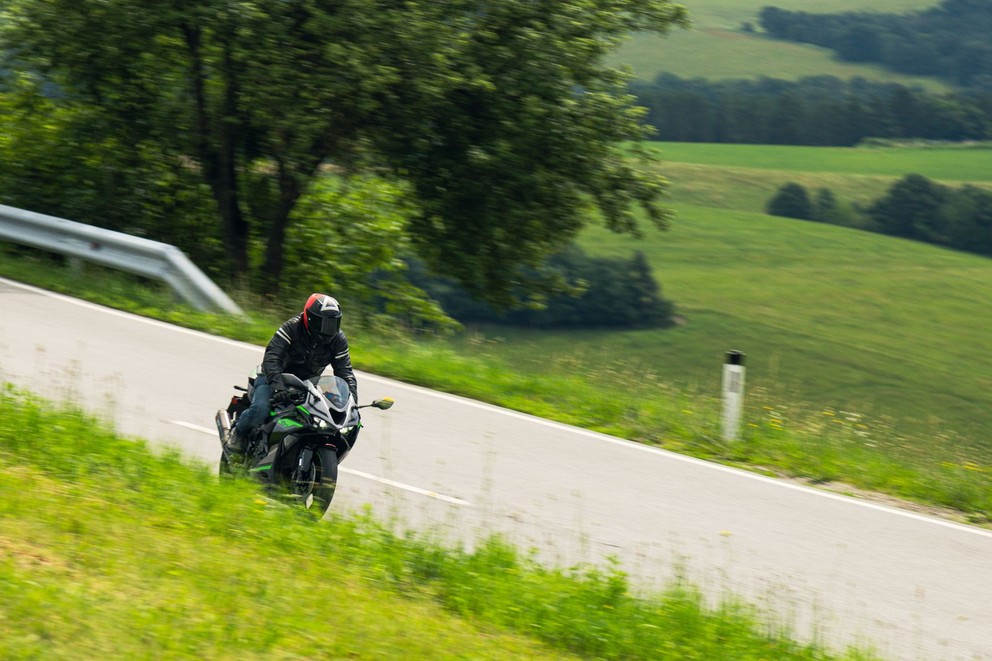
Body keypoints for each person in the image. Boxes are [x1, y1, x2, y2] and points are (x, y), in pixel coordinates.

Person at [225, 293, 358, 454]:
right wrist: (278, 388)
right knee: (261, 408)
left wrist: (352, 402)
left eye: (333, 323)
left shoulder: (338, 339)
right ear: (310, 319)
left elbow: (345, 372)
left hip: (308, 385)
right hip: (273, 378)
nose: (328, 329)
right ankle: (238, 433)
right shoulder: (292, 328)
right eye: (323, 323)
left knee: (324, 420)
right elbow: (272, 358)